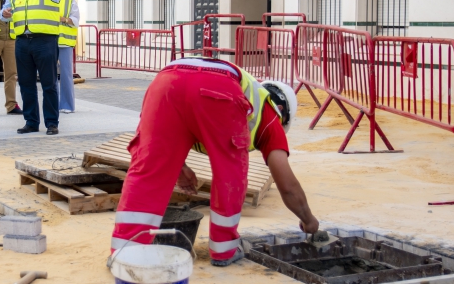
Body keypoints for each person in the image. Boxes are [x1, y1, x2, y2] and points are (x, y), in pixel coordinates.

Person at [109, 58, 318, 267]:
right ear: (282, 109)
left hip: (165, 81)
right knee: (230, 174)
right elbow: (287, 185)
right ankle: (224, 249)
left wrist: (179, 166)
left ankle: (125, 252)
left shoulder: (250, 89)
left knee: (147, 171)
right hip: (217, 89)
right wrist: (309, 220)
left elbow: (166, 134)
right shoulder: (271, 116)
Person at [0, 0, 75, 135]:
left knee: (49, 83)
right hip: (23, 41)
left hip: (45, 41)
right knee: (26, 83)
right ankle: (31, 121)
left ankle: (51, 122)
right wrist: (5, 13)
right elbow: (5, 11)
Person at [47, 0, 79, 114]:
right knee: (50, 75)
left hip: (64, 42)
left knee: (66, 74)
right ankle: (53, 105)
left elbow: (76, 19)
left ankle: (67, 105)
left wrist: (63, 19)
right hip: (47, 41)